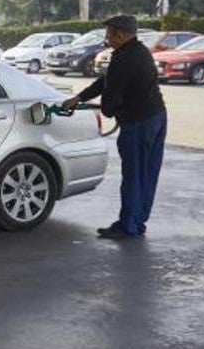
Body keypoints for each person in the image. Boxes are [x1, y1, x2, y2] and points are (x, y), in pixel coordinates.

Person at [62, 15, 167, 239]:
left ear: (121, 34)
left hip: (139, 123)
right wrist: (79, 97)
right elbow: (106, 81)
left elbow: (109, 101)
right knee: (146, 174)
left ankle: (128, 225)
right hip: (155, 117)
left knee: (134, 174)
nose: (106, 38)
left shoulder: (125, 58)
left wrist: (107, 108)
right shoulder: (137, 52)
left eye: (109, 33)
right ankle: (137, 222)